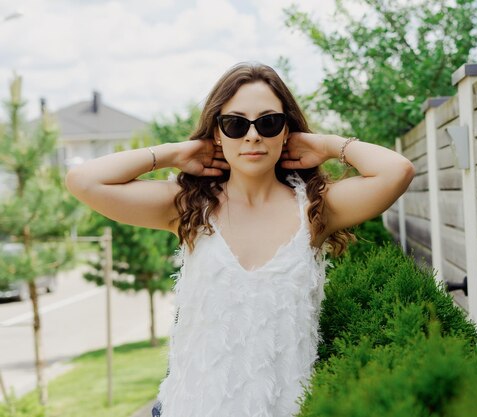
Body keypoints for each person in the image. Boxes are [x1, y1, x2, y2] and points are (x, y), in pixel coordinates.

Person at [65, 62, 415, 417]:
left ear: (286, 131)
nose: (252, 136)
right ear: (217, 132)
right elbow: (84, 180)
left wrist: (327, 144)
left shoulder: (314, 209)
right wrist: (172, 154)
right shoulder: (188, 206)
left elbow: (397, 171)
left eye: (268, 122)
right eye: (235, 124)